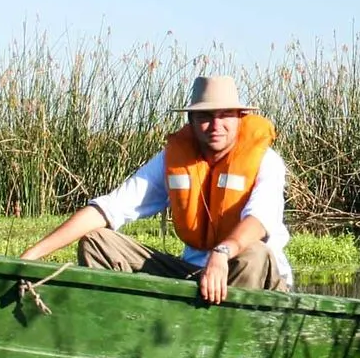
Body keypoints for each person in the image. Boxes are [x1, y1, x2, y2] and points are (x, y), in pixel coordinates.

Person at [20, 75, 291, 303]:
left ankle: (226, 342)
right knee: (97, 241)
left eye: (225, 116)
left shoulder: (267, 161)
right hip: (192, 273)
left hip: (246, 274)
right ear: (192, 120)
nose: (216, 126)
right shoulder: (172, 160)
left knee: (255, 253)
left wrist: (222, 253)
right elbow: (109, 209)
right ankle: (125, 329)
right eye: (206, 116)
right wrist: (33, 255)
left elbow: (259, 220)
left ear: (241, 118)